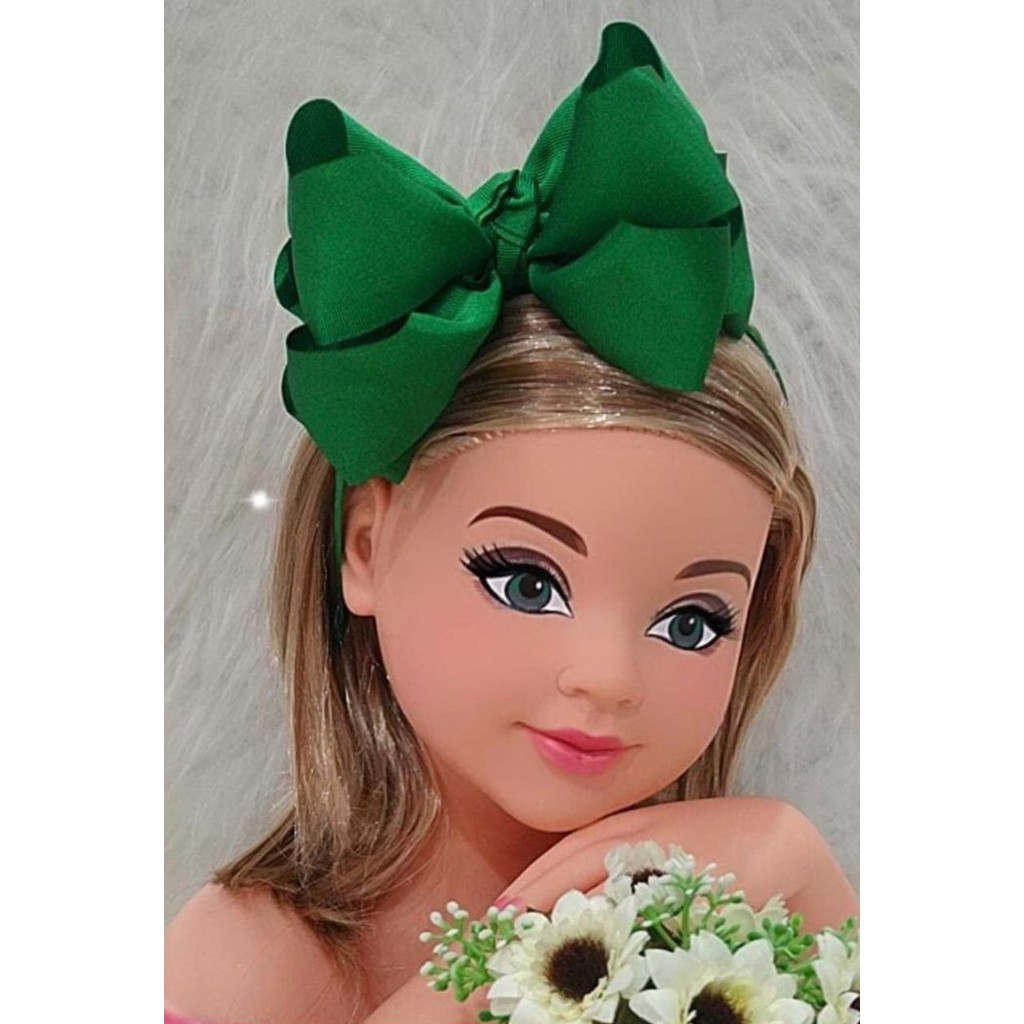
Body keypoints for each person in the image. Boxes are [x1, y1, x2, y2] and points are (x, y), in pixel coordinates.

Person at [165, 20, 859, 1024]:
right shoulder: (242, 966)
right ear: (366, 546)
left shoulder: (736, 918)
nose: (608, 677)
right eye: (525, 581)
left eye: (693, 620)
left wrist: (811, 887)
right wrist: (514, 952)